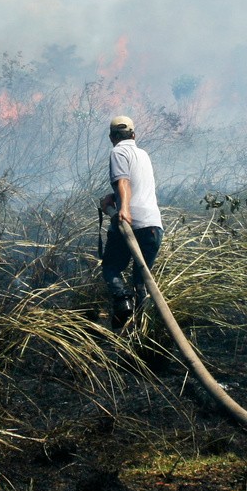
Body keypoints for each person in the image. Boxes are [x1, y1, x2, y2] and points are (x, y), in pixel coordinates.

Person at [99, 115, 163, 331]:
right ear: (134, 135)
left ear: (112, 137)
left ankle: (123, 304)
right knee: (140, 280)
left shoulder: (118, 151)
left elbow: (124, 181)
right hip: (154, 226)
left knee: (110, 268)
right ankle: (142, 331)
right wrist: (113, 196)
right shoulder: (143, 154)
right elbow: (137, 185)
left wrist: (123, 208)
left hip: (131, 224)